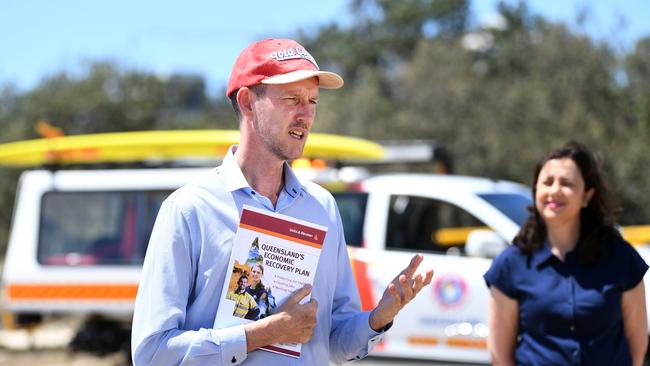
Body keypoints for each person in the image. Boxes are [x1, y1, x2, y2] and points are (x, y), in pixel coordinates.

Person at [131, 38, 434, 365]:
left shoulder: (322, 208)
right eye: (292, 99)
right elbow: (152, 354)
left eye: (313, 101)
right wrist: (264, 333)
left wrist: (378, 318)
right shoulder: (189, 210)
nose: (306, 116)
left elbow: (330, 343)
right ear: (247, 102)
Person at [484, 141, 648, 365]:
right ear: (535, 191)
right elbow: (500, 356)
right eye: (547, 182)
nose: (555, 190)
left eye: (566, 183)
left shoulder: (621, 257)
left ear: (587, 196)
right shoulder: (510, 265)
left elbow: (637, 345)